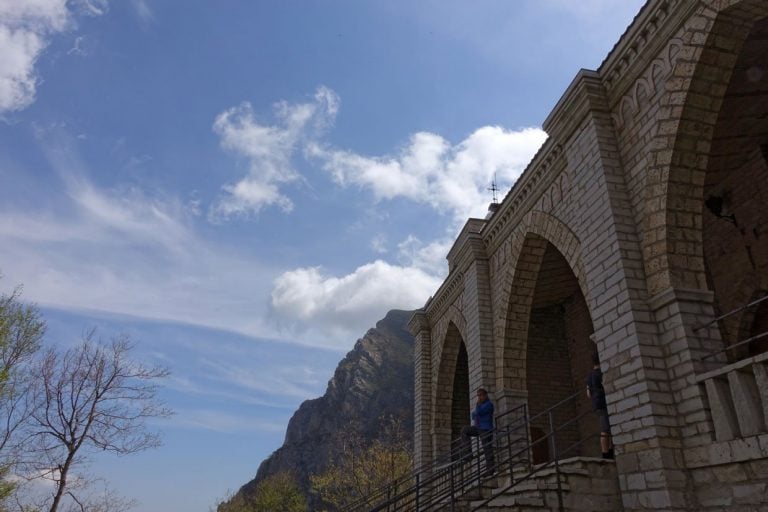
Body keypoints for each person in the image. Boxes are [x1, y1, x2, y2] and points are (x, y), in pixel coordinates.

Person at [586, 352, 614, 459]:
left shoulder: (590, 375)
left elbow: (588, 393)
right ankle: (606, 454)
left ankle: (609, 451)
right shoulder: (601, 373)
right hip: (604, 402)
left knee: (607, 427)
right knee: (605, 429)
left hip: (596, 404)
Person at [461, 388, 495, 474]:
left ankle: (490, 470)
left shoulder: (489, 404)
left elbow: (478, 413)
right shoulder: (480, 405)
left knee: (487, 448)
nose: (479, 397)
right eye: (478, 395)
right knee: (465, 430)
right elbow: (473, 415)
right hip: (478, 427)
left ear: (485, 395)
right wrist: (476, 411)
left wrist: (477, 406)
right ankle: (468, 454)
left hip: (486, 429)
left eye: (480, 395)